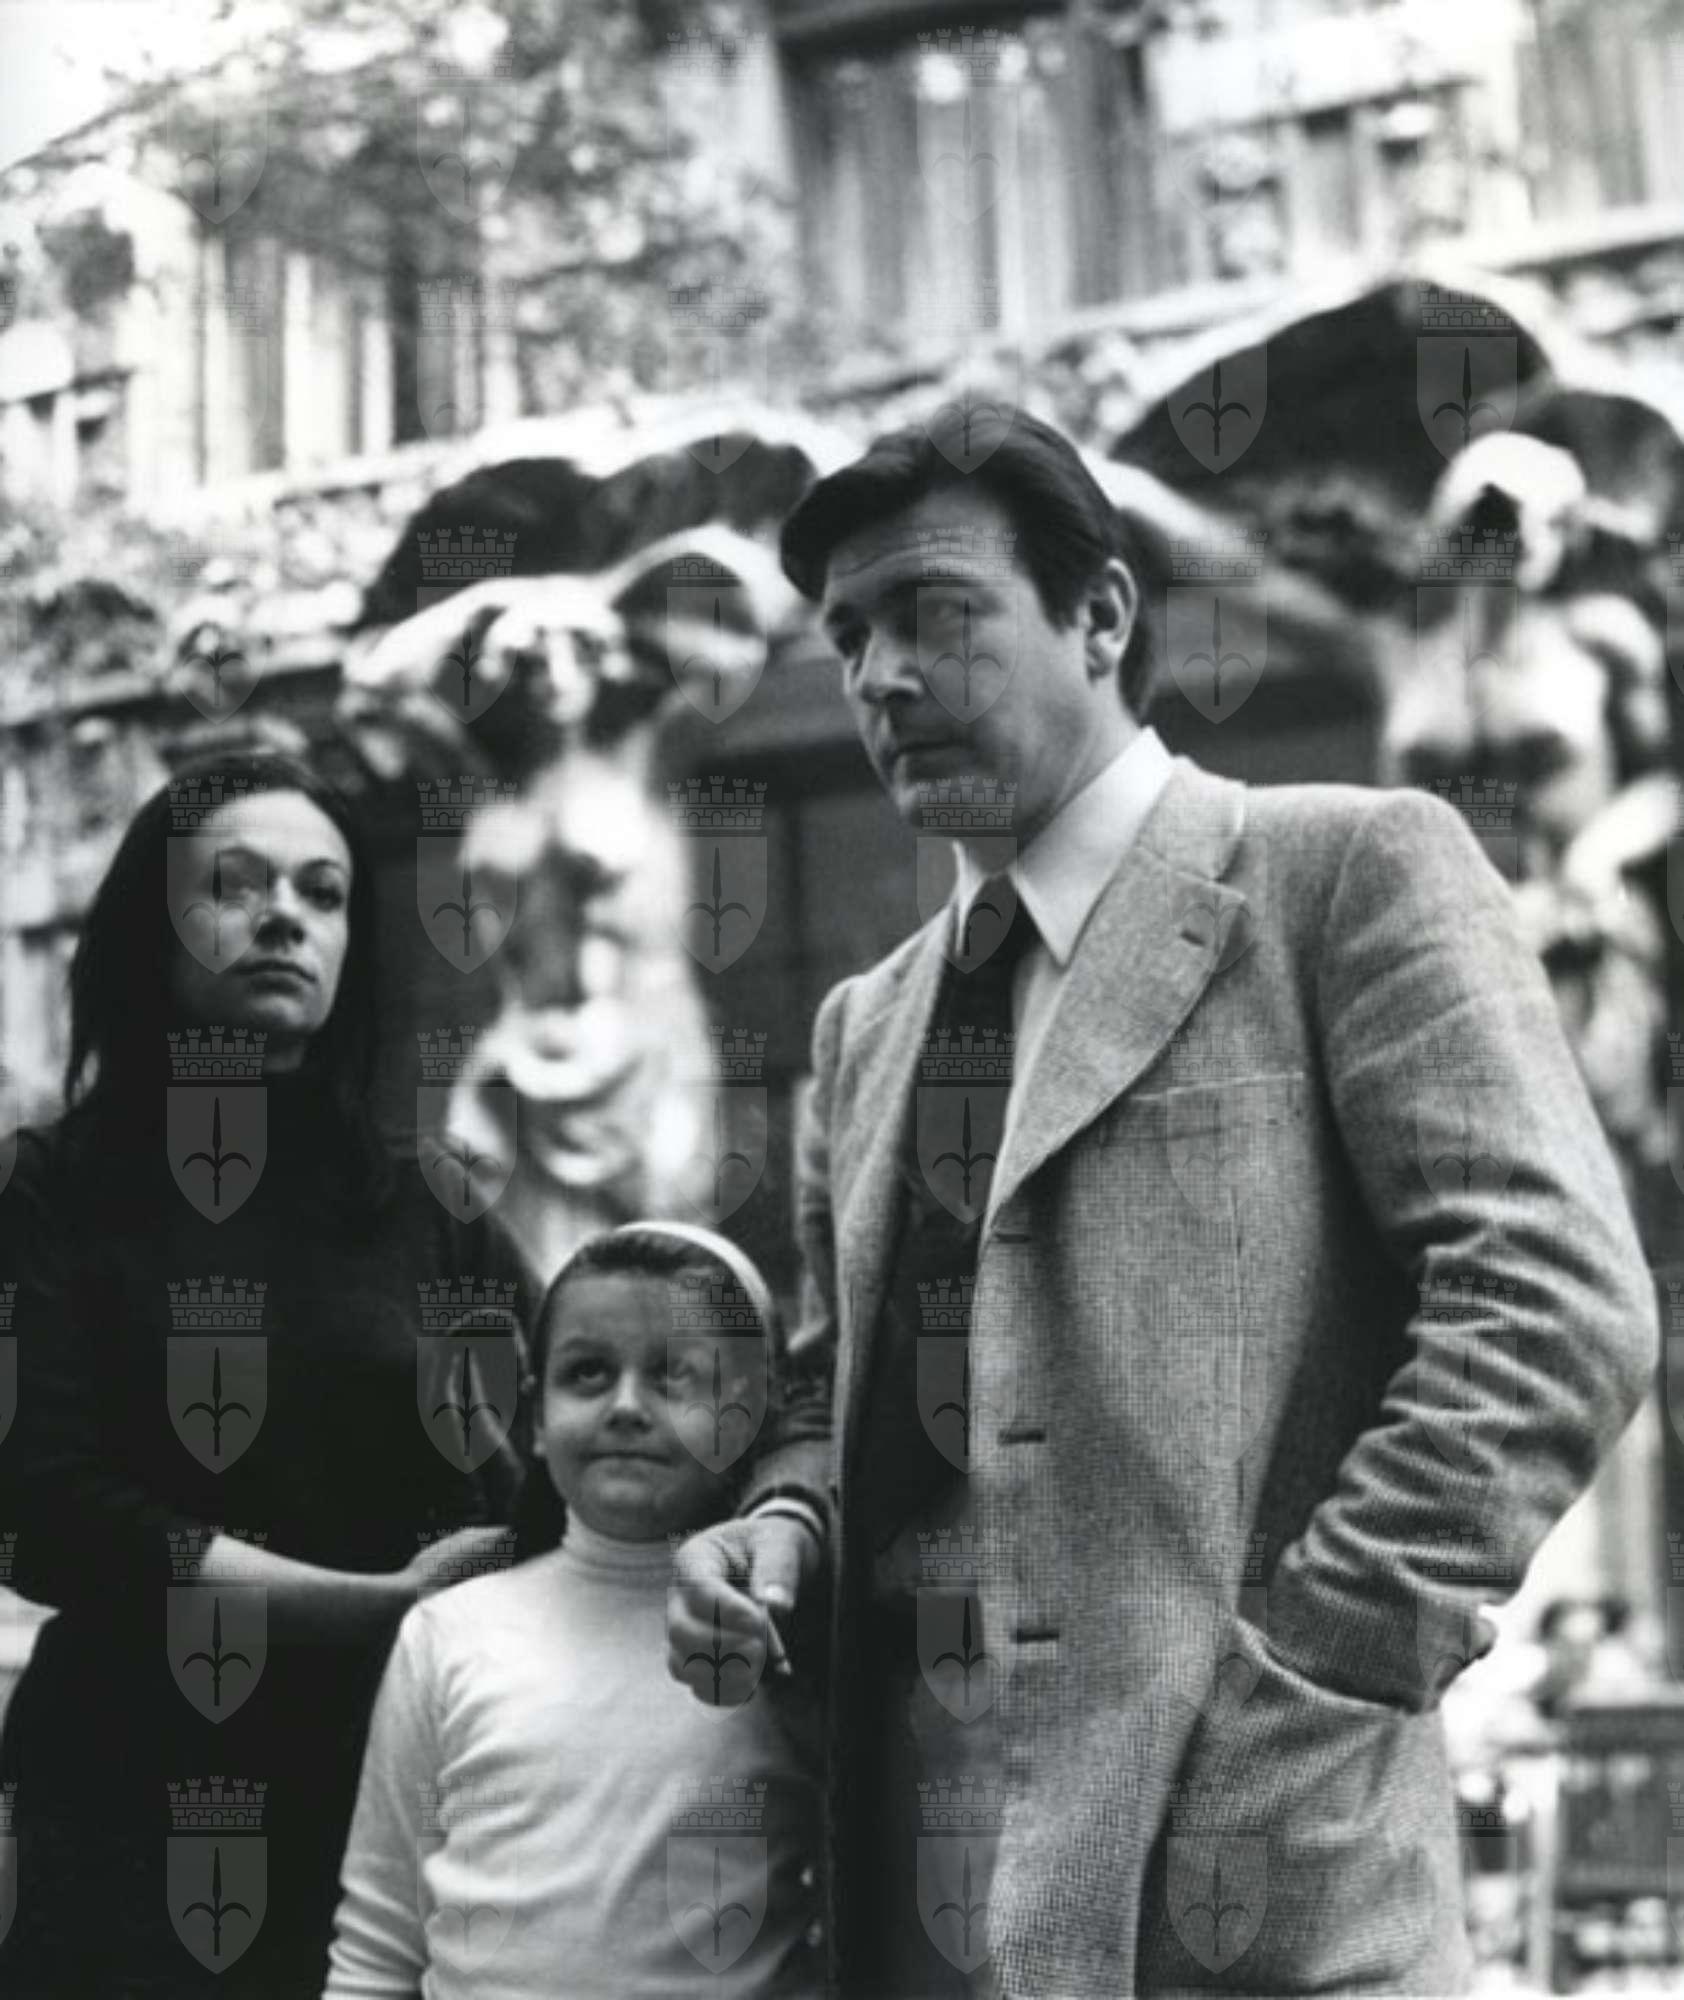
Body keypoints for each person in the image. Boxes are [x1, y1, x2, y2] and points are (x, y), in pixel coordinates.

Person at [666, 406, 1659, 1996]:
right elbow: (834, 1377)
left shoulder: (1342, 872)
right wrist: (781, 1521)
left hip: (1262, 1899)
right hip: (913, 1903)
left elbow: (1552, 1305)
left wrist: (1313, 1684)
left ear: (1104, 615)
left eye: (935, 613)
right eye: (849, 637)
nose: (882, 677)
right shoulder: (866, 1028)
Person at [0, 752, 531, 1997]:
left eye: (323, 891)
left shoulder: (426, 1205)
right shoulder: (50, 1189)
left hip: (395, 1784)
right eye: (234, 885)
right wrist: (380, 1600)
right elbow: (45, 1506)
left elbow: (580, 1424)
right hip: (129, 1800)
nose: (286, 915)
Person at [324, 1221, 823, 1998]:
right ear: (535, 1418)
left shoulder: (781, 1633)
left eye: (677, 1375)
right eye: (588, 1373)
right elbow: (378, 1947)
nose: (626, 1406)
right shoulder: (450, 1632)